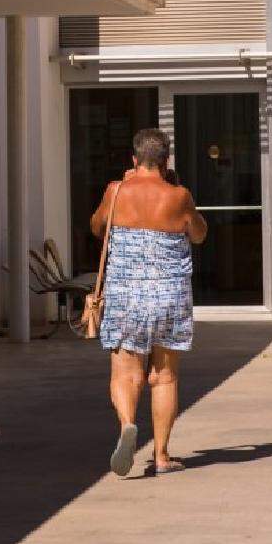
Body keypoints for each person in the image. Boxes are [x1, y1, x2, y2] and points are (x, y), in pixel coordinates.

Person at [88, 128, 208, 477]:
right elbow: (199, 234)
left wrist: (120, 191)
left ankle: (128, 424)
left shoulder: (116, 190)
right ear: (166, 161)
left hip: (125, 293)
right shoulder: (179, 195)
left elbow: (98, 227)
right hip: (168, 295)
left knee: (126, 374)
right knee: (165, 376)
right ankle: (161, 456)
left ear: (134, 159)